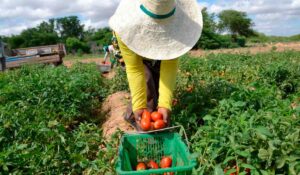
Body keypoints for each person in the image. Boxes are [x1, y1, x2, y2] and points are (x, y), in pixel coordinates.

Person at [109, 0, 203, 130]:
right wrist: (139, 105)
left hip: (157, 54)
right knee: (147, 82)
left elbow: (169, 66)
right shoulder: (125, 27)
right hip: (128, 49)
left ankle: (145, 115)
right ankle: (136, 119)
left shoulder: (175, 32)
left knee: (157, 82)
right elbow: (135, 69)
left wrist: (165, 105)